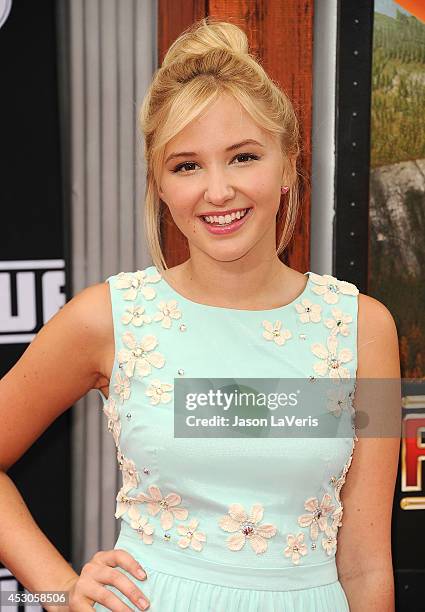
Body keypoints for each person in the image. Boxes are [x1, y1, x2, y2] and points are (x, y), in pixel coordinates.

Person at [0, 16, 401, 612]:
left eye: (242, 157)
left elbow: (367, 566)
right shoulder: (109, 318)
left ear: (289, 164)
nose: (217, 191)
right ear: (159, 185)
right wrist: (60, 594)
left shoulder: (363, 328)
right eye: (186, 165)